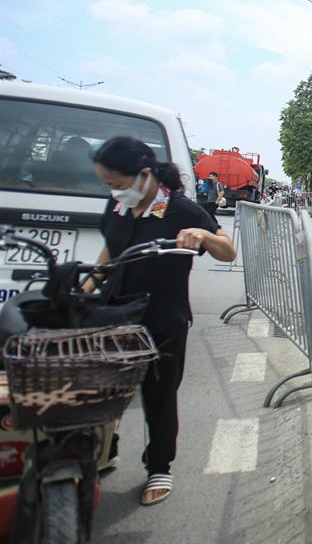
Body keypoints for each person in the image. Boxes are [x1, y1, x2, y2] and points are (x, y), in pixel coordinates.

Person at [89, 137, 236, 506]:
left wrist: (202, 235)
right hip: (115, 314)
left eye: (117, 184)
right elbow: (110, 252)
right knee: (103, 392)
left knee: (159, 396)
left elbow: (227, 249)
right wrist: (87, 285)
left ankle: (159, 467)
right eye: (108, 185)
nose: (114, 192)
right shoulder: (120, 208)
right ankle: (104, 450)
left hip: (162, 318)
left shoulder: (181, 210)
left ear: (143, 175)